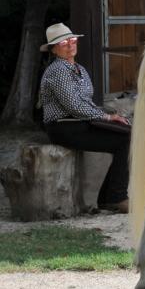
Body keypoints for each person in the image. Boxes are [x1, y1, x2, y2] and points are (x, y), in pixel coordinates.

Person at [38, 23, 131, 214]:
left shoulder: (79, 68)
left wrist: (112, 118)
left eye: (72, 39)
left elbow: (86, 104)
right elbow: (74, 106)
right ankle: (115, 198)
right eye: (63, 42)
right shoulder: (58, 71)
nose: (70, 44)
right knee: (125, 140)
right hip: (64, 127)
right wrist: (106, 117)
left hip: (81, 123)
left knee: (127, 134)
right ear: (54, 49)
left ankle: (111, 197)